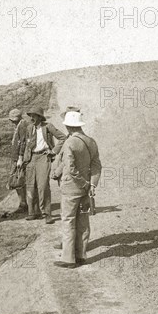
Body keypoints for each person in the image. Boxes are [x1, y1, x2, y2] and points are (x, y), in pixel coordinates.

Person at [52, 111, 102, 269]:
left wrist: (82, 183)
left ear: (67, 126)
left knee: (68, 221)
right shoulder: (91, 141)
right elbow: (96, 166)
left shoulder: (70, 143)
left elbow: (71, 168)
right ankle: (81, 255)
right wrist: (91, 185)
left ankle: (68, 259)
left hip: (71, 188)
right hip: (86, 189)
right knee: (83, 221)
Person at [23, 107, 67, 224]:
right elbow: (25, 144)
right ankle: (33, 212)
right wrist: (23, 158)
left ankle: (47, 214)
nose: (32, 118)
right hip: (31, 158)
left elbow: (63, 137)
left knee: (43, 186)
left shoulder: (47, 127)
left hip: (43, 157)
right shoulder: (29, 128)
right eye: (31, 115)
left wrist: (53, 151)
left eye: (34, 116)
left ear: (40, 117)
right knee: (31, 186)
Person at [8, 109, 32, 213]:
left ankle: (23, 204)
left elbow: (22, 142)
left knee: (19, 180)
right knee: (18, 180)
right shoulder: (19, 125)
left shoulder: (22, 125)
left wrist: (20, 158)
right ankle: (24, 203)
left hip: (19, 158)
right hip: (16, 157)